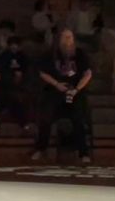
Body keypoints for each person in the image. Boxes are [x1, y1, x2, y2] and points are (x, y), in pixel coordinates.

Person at [32, 28, 94, 165]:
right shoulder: (51, 54)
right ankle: (40, 149)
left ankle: (83, 153)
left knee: (79, 119)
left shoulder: (80, 54)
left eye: (70, 37)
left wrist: (77, 89)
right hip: (55, 91)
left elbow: (87, 73)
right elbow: (42, 73)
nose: (67, 40)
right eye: (65, 37)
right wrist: (56, 84)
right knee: (46, 118)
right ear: (59, 39)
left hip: (75, 92)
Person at [0, 36, 32, 127]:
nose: (14, 47)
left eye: (16, 45)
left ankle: (23, 123)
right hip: (5, 84)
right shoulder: (3, 55)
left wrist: (21, 75)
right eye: (12, 45)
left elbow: (27, 71)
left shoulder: (24, 57)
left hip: (19, 85)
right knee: (2, 97)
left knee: (13, 98)